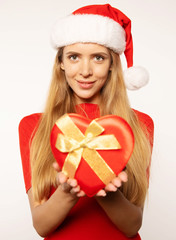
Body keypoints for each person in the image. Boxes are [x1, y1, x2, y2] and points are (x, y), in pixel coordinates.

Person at [18, 4, 154, 240]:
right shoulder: (34, 127)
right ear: (61, 62)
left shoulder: (139, 125)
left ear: (112, 64)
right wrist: (69, 191)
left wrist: (104, 190)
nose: (85, 71)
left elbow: (133, 225)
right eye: (74, 57)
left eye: (98, 58)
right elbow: (41, 226)